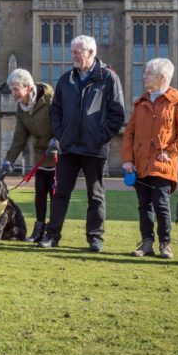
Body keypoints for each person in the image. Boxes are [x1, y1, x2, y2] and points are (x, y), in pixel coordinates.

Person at [38, 35, 125, 252]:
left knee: (95, 195)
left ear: (91, 53)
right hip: (68, 147)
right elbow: (55, 110)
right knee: (60, 193)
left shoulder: (108, 78)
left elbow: (117, 114)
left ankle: (95, 238)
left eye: (78, 52)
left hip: (94, 148)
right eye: (73, 52)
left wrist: (100, 136)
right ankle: (52, 235)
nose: (73, 56)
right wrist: (61, 134)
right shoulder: (66, 79)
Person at [122, 58, 178, 259]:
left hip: (163, 163)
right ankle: (146, 243)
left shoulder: (177, 100)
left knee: (161, 204)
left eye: (148, 73)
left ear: (162, 77)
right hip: (140, 163)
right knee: (143, 205)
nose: (144, 76)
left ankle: (165, 244)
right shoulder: (141, 102)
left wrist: (170, 152)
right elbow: (129, 134)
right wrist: (128, 159)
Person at [0, 68, 55, 243]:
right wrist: (8, 161)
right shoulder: (22, 108)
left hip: (57, 154)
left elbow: (64, 123)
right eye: (12, 89)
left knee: (55, 195)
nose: (13, 94)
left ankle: (52, 232)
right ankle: (38, 230)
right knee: (39, 193)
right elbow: (19, 138)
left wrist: (58, 141)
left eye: (16, 89)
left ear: (28, 87)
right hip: (40, 156)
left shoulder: (51, 100)